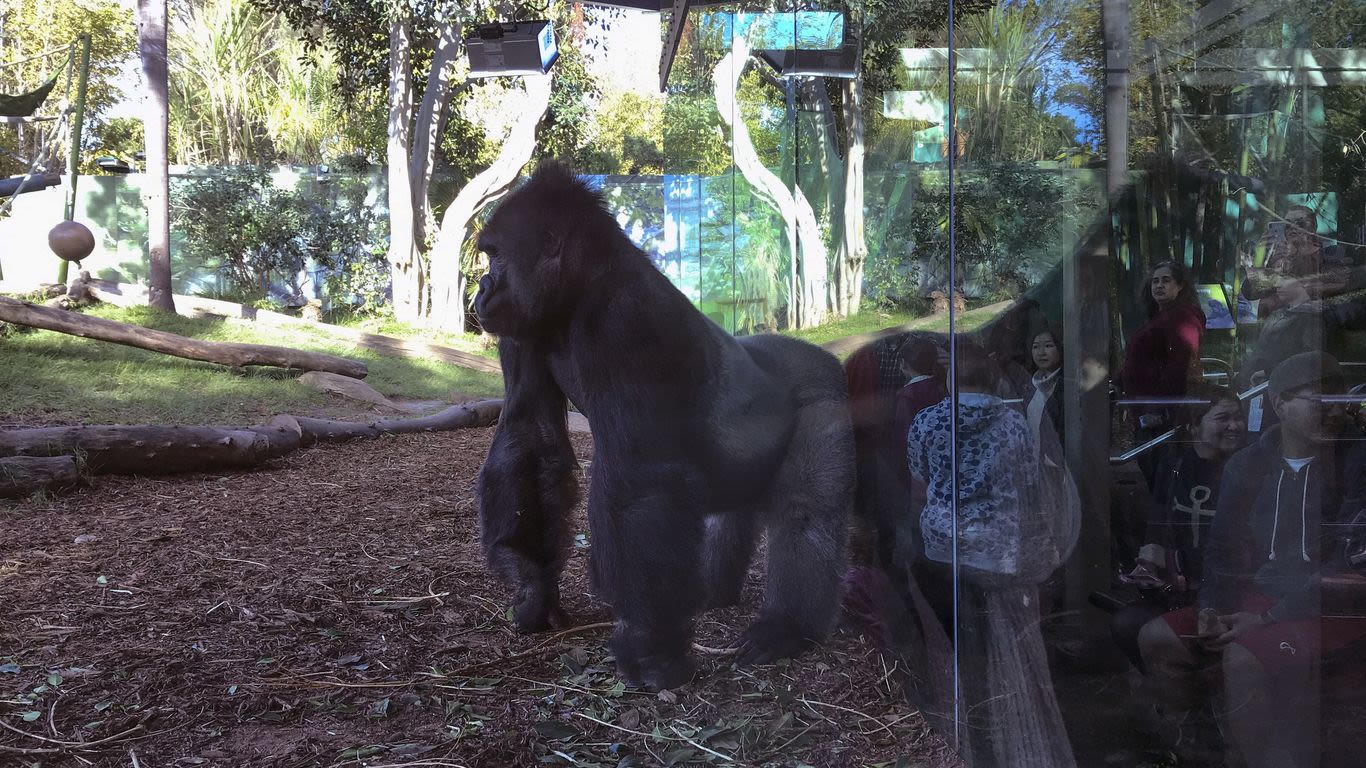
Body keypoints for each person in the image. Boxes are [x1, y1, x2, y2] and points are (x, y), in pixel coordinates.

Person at [1137, 352, 1366, 768]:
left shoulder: (1357, 459)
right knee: (1158, 638)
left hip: (1333, 606)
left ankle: (1246, 758)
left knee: (1243, 658)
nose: (1333, 411)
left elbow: (1349, 565)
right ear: (1279, 405)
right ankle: (1201, 745)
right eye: (1320, 401)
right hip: (1262, 598)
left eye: (1338, 401)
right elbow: (1222, 548)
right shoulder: (1248, 464)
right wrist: (1211, 608)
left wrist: (1269, 617)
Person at [904, 341, 1076, 768]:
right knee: (1000, 649)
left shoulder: (927, 421)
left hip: (942, 554)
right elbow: (1026, 488)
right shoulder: (1015, 424)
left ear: (948, 377)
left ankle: (960, 732)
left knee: (952, 649)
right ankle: (1005, 729)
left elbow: (918, 490)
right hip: (1000, 556)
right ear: (992, 378)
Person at [1110, 387, 1245, 670]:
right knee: (1125, 625)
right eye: (1223, 418)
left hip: (1228, 593)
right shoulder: (1174, 465)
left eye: (1238, 417)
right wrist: (1149, 568)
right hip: (1178, 589)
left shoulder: (1246, 469)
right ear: (1194, 426)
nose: (1235, 426)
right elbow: (1158, 525)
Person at [1120, 261, 1207, 406]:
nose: (1159, 285)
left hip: (1163, 406)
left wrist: (1160, 405)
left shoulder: (1184, 316)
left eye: (1166, 280)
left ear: (1180, 286)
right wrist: (1119, 381)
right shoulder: (1158, 317)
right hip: (1145, 402)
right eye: (1155, 281)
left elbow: (1181, 365)